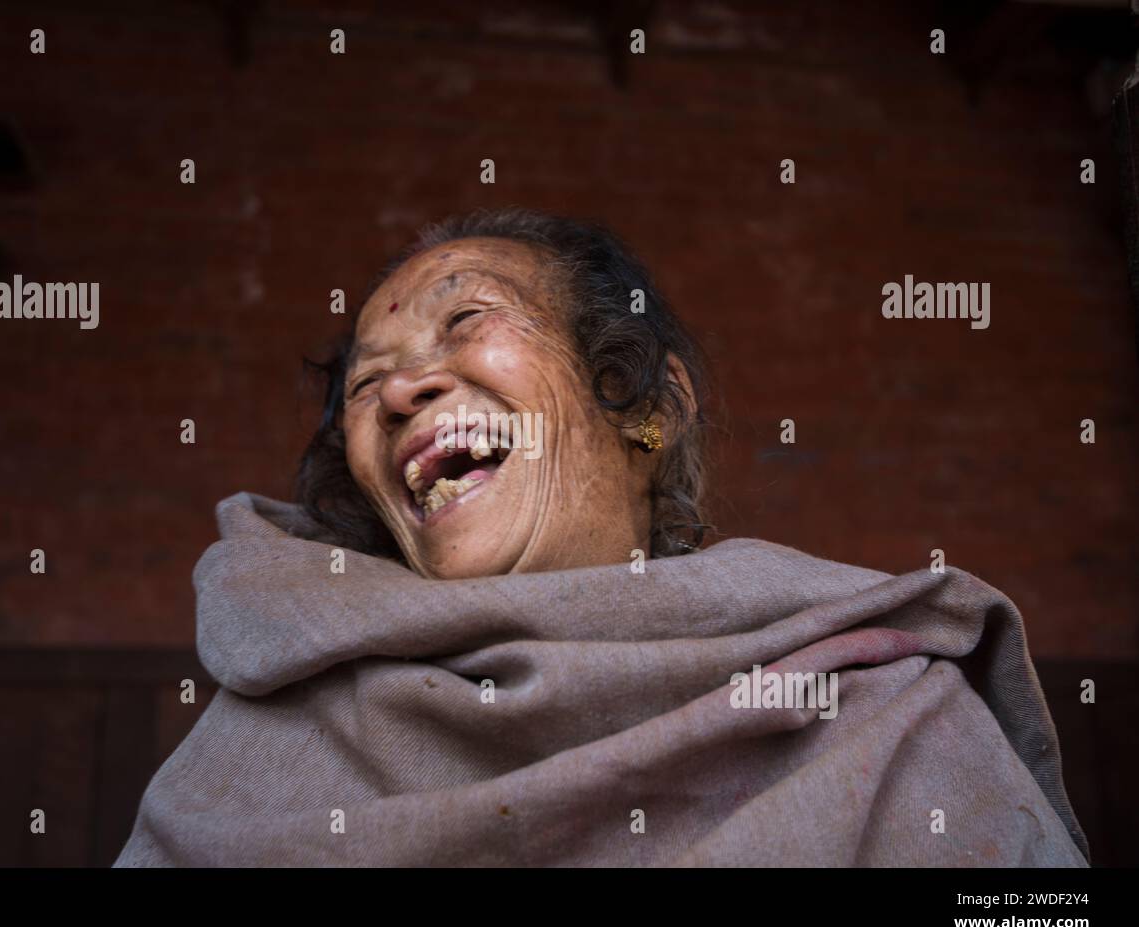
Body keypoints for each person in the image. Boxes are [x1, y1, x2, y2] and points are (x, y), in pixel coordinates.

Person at [115, 209, 1088, 867]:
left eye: (467, 322)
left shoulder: (881, 712)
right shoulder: (264, 739)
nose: (402, 391)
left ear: (648, 407)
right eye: (367, 384)